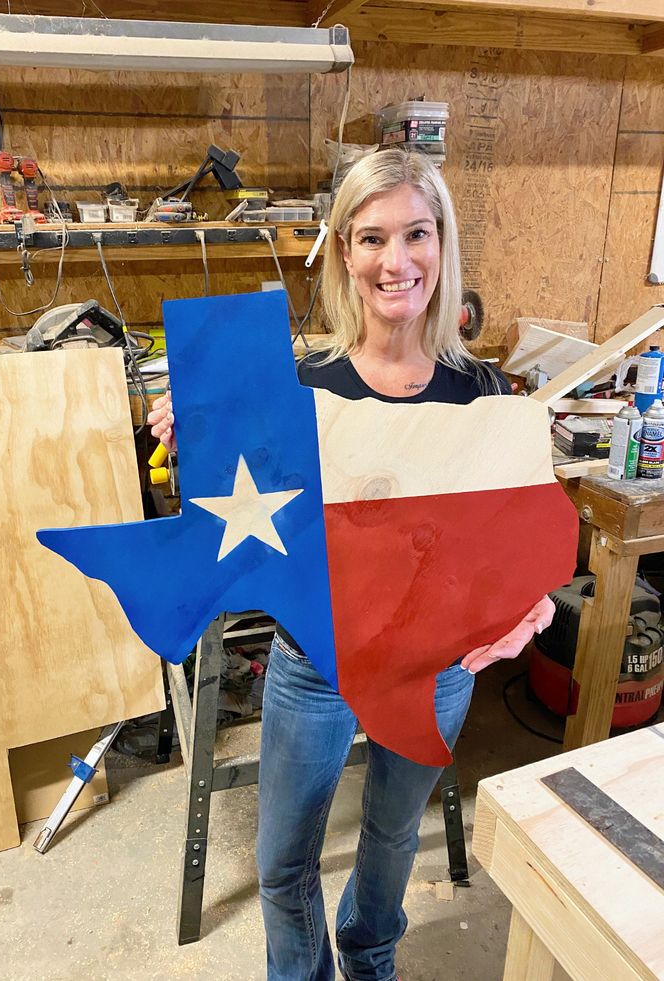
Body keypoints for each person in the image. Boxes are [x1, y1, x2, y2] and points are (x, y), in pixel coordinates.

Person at [148, 147, 554, 981]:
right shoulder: (298, 387)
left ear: (442, 246)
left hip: (436, 667)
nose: (394, 261)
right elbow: (237, 505)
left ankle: (370, 960)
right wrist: (197, 433)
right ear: (342, 251)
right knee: (281, 864)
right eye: (371, 238)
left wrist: (531, 607)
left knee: (393, 835)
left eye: (415, 234)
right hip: (313, 660)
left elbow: (516, 547)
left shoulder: (482, 396)